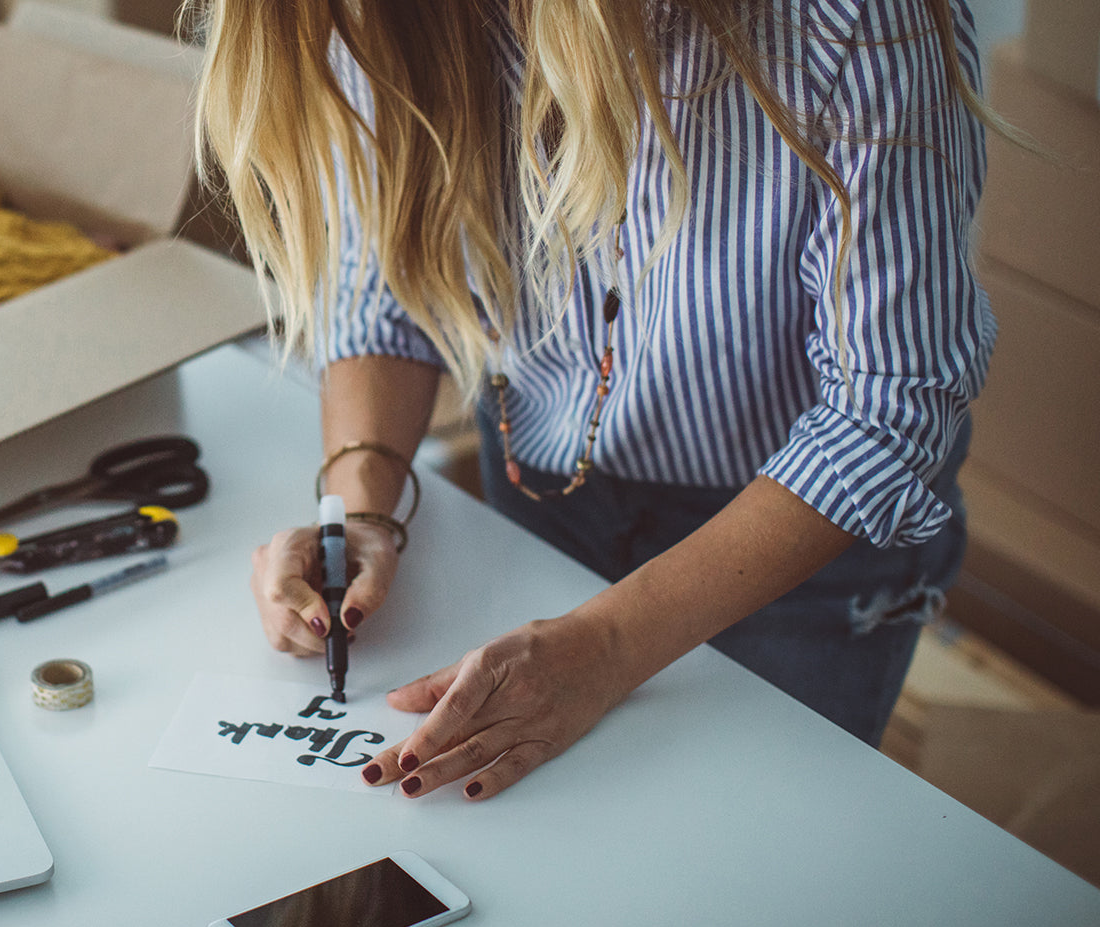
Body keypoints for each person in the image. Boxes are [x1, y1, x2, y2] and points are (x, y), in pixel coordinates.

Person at [192, 0, 1018, 801]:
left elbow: (889, 408)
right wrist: (362, 512)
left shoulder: (851, 20)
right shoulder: (379, 14)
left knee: (751, 862)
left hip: (798, 549)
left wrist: (611, 642)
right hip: (546, 490)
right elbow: (387, 282)